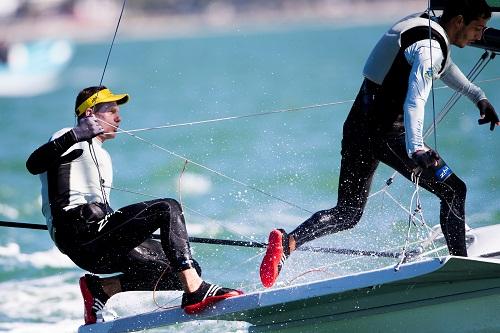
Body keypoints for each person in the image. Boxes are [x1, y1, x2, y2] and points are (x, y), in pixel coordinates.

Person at [259, 0, 500, 288]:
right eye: (477, 28)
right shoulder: (429, 50)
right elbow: (416, 99)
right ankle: (462, 271)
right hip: (388, 134)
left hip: (358, 128)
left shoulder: (423, 28)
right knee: (454, 190)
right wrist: (417, 149)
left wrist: (478, 97)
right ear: (459, 21)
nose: (480, 36)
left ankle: (286, 244)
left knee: (347, 212)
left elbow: (445, 68)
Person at [26, 86, 243, 324]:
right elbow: (34, 164)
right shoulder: (66, 136)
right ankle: (196, 291)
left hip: (100, 238)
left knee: (179, 268)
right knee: (166, 207)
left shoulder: (103, 156)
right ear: (90, 113)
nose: (119, 118)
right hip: (79, 234)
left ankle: (102, 289)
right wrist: (77, 133)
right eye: (111, 111)